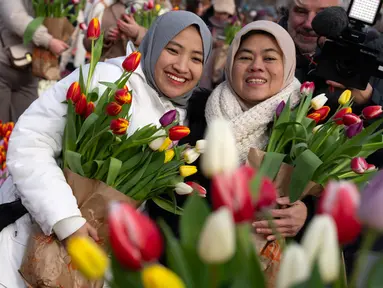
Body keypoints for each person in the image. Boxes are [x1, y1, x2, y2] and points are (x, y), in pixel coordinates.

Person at [0, 10, 212, 288]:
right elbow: (31, 140)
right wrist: (67, 220)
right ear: (153, 44)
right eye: (172, 50)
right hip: (27, 241)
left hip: (95, 263)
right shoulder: (106, 78)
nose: (182, 66)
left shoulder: (185, 118)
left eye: (196, 58)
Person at [148, 21, 309, 251]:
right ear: (230, 63)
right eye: (245, 57)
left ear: (288, 66)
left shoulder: (304, 126)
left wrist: (305, 214)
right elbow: (163, 199)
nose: (256, 66)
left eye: (270, 58)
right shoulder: (192, 117)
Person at [0, 0, 69, 123]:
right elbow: (15, 18)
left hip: (29, 68)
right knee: (2, 125)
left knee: (27, 123)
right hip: (4, 66)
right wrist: (49, 41)